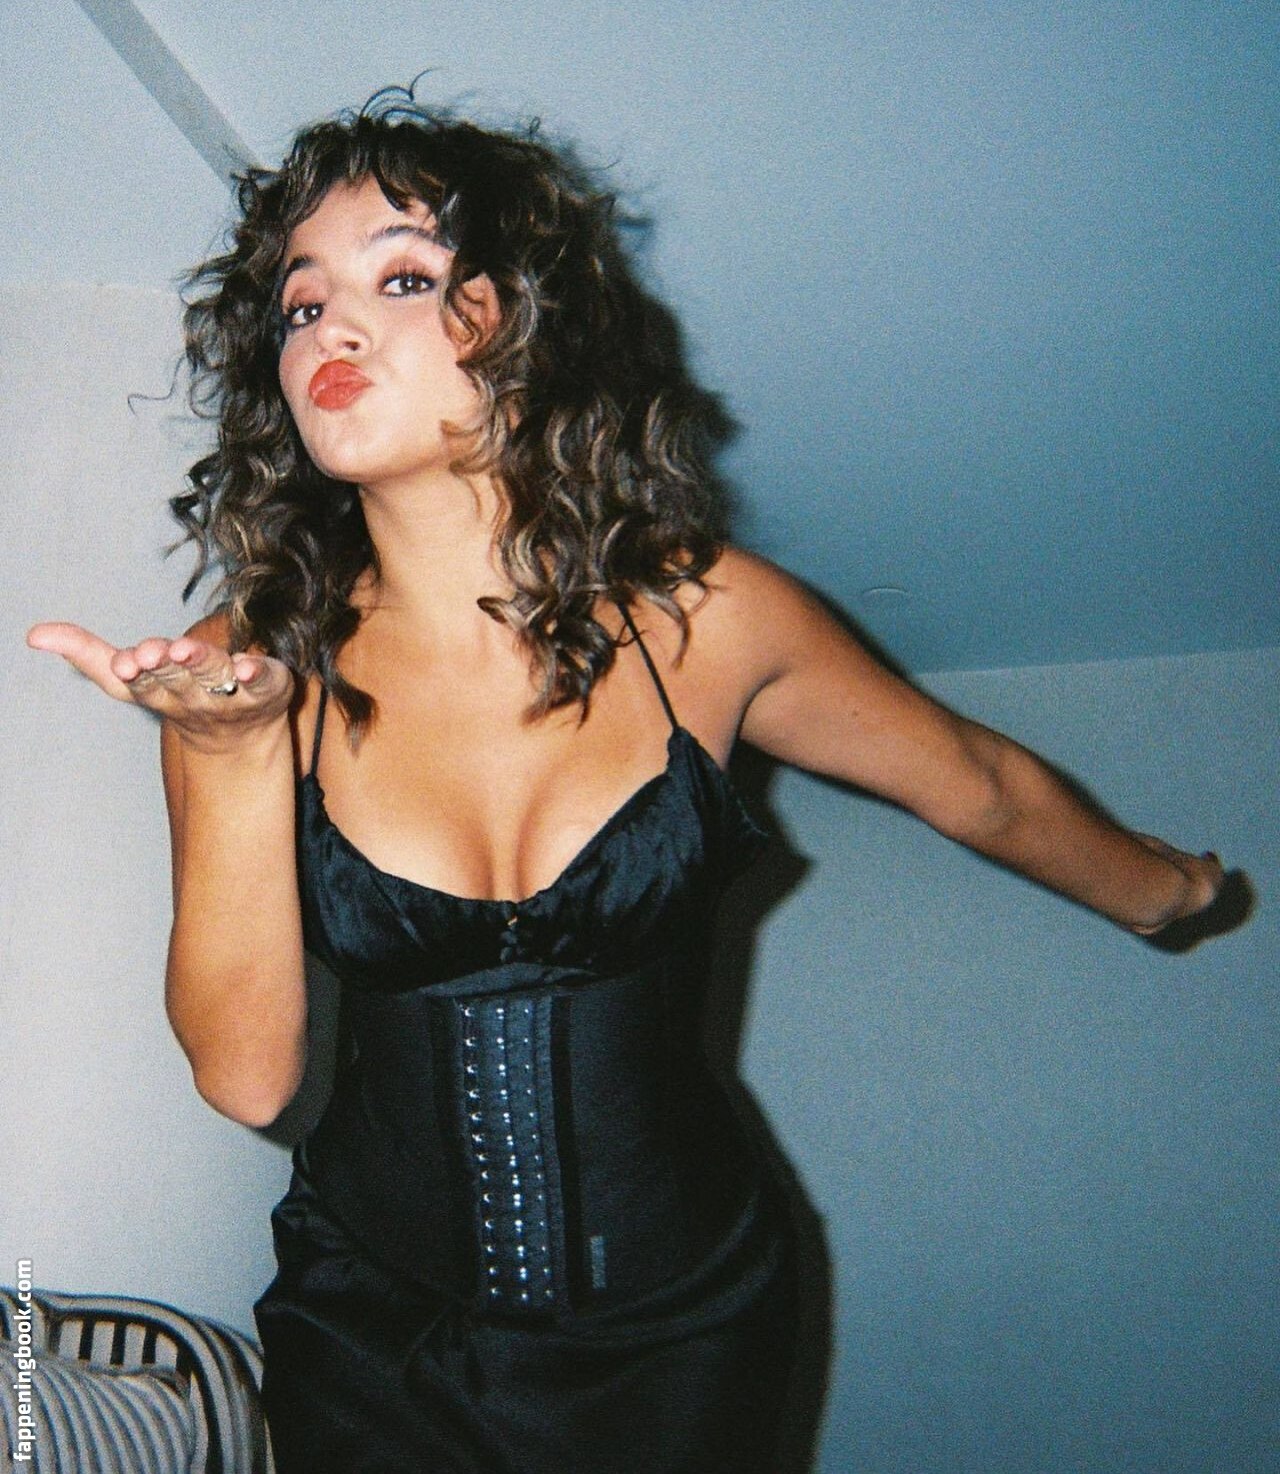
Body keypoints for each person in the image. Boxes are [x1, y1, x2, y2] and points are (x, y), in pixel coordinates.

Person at [28, 90, 1225, 1473]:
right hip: (372, 1340)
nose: (330, 332)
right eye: (302, 306)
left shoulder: (702, 621)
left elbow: (982, 783)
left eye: (401, 280)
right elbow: (248, 1081)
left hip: (688, 1333)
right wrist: (228, 753)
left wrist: (1164, 891)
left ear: (517, 325)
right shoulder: (248, 665)